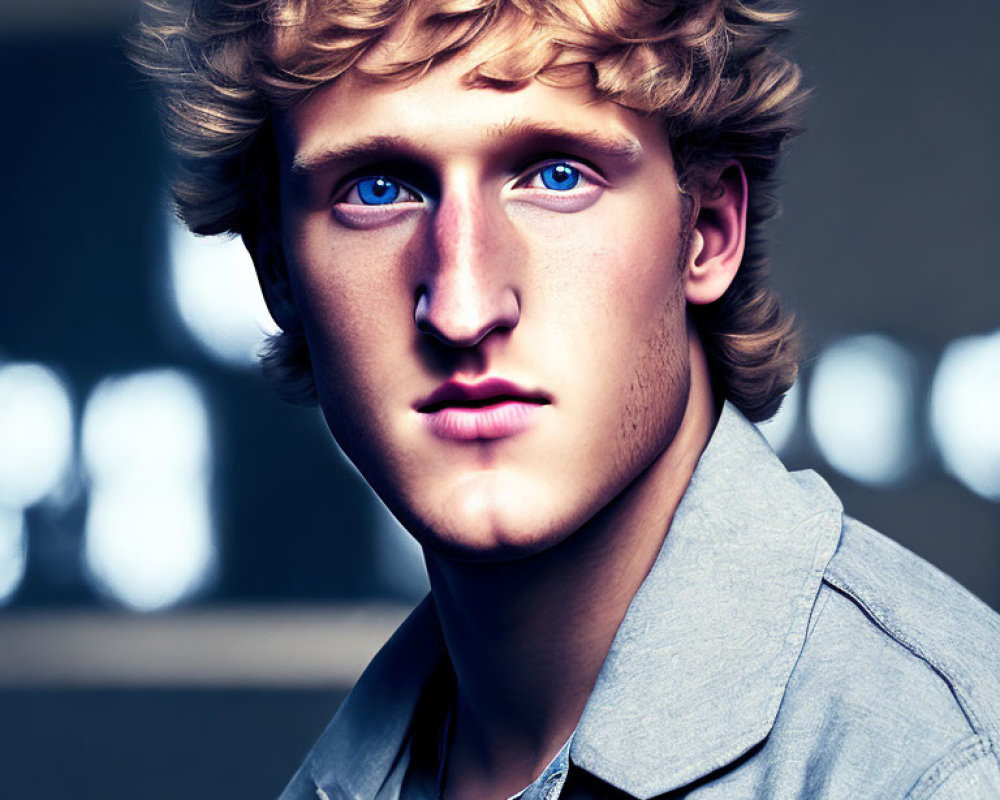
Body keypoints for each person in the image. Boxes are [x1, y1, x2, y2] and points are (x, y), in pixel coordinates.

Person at [131, 0, 1000, 797]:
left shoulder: (935, 767)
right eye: (378, 190)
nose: (464, 306)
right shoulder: (360, 769)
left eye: (555, 176)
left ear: (707, 232)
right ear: (276, 272)